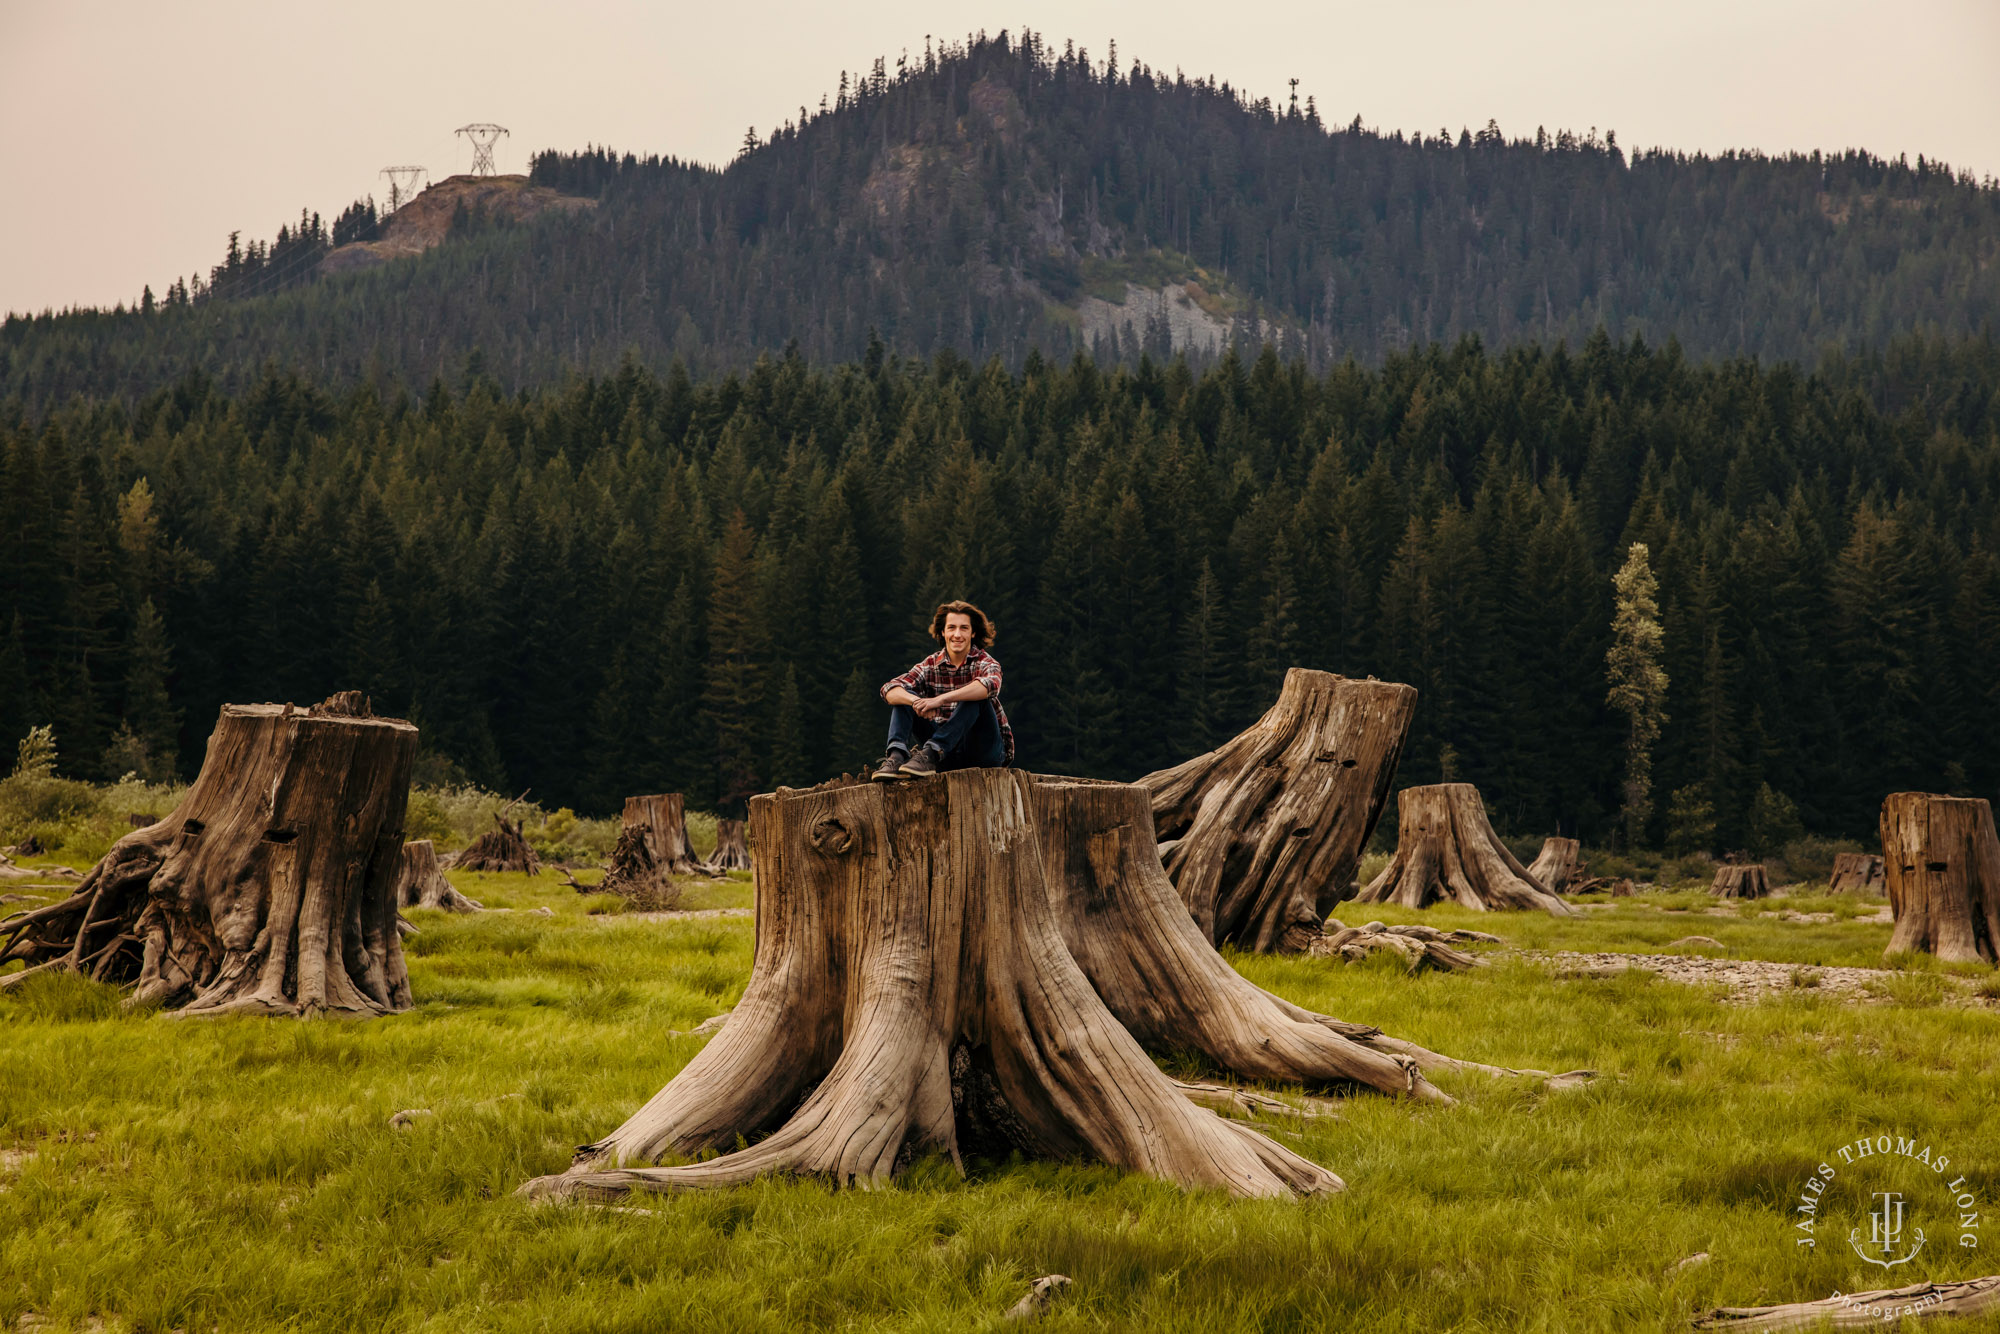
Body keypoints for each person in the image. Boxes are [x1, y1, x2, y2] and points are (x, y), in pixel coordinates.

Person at [873, 600, 1015, 779]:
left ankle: (931, 751)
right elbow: (889, 689)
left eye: (964, 628)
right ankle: (896, 756)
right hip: (944, 756)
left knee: (977, 697)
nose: (957, 634)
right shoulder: (930, 664)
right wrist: (917, 702)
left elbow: (990, 685)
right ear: (943, 632)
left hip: (983, 754)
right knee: (904, 695)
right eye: (951, 628)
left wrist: (940, 700)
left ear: (973, 633)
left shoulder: (985, 662)